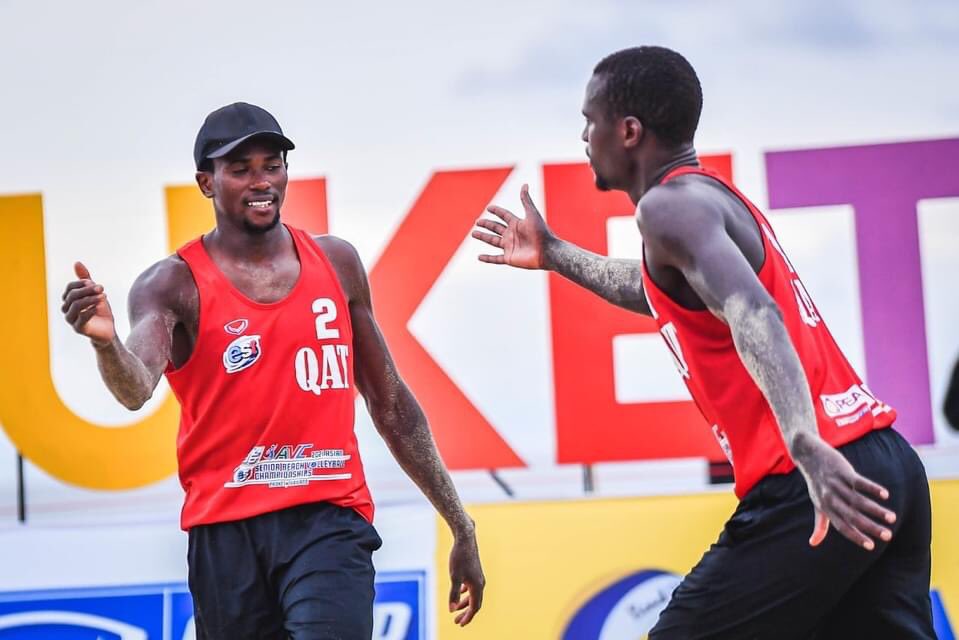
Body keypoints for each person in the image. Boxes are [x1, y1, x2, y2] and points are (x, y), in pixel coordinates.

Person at [473, 47, 933, 638]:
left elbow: (755, 312)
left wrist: (803, 441)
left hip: (813, 472)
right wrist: (557, 255)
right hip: (883, 459)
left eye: (591, 119)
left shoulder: (667, 207)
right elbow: (657, 290)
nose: (584, 134)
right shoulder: (706, 199)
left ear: (629, 131)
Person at [61, 102, 484, 639]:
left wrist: (459, 523)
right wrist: (104, 345)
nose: (261, 181)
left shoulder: (337, 263)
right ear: (206, 183)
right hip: (226, 534)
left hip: (329, 519)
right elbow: (134, 387)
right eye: (240, 169)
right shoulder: (172, 283)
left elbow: (391, 404)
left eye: (272, 164)